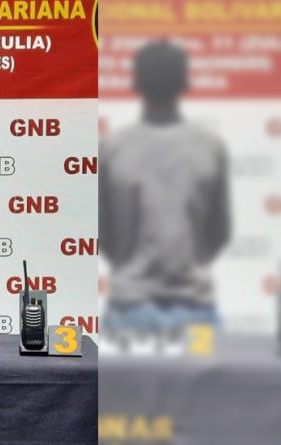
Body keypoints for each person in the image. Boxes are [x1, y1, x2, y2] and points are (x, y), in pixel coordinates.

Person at [99, 41, 231, 338]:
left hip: (128, 310)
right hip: (196, 309)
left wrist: (132, 267)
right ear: (184, 83)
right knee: (205, 371)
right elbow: (219, 233)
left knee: (127, 374)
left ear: (136, 84)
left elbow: (104, 234)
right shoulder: (210, 147)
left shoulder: (113, 149)